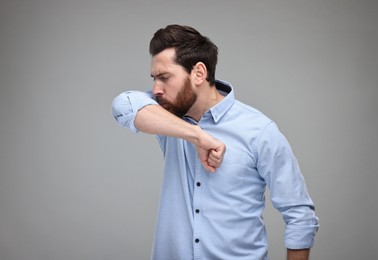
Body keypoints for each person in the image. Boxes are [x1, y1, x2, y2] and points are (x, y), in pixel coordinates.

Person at [112, 24, 319, 260]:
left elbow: (299, 213)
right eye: (154, 78)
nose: (156, 89)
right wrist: (198, 136)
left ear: (199, 73)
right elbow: (122, 106)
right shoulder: (166, 116)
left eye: (164, 77)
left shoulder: (260, 131)